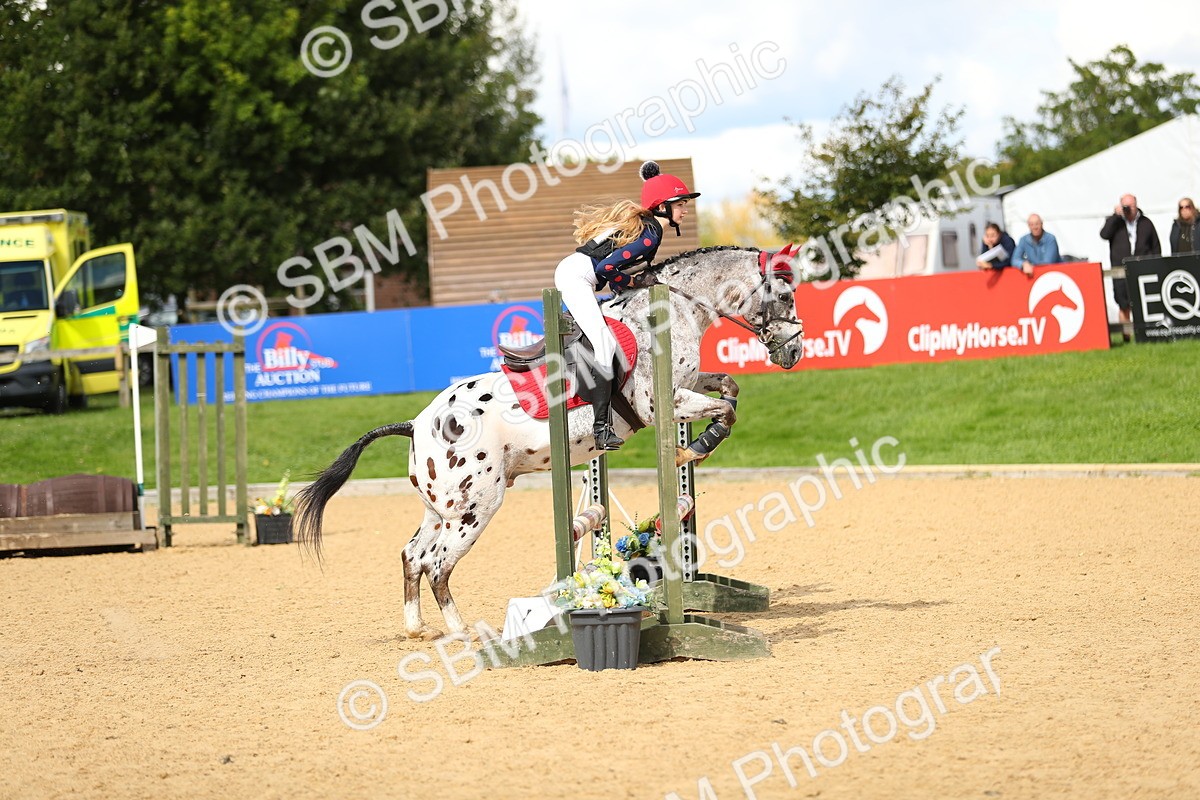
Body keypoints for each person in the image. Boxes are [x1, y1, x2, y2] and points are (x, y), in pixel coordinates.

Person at [553, 160, 699, 451]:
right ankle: (601, 429)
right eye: (680, 204)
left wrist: (630, 285)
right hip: (576, 277)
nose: (684, 210)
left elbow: (614, 273)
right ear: (663, 207)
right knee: (605, 346)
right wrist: (634, 284)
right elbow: (608, 268)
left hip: (581, 275)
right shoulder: (650, 234)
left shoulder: (649, 229)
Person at [1100, 193, 1161, 336]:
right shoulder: (1115, 223)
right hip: (1120, 269)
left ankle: (1147, 334)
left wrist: (1154, 264)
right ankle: (1126, 336)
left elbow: (1156, 246)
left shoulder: (1146, 222)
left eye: (1131, 206)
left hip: (1142, 269)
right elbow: (1104, 234)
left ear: (1136, 205)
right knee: (1123, 303)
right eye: (1125, 206)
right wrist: (1115, 216)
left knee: (1143, 302)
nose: (1128, 209)